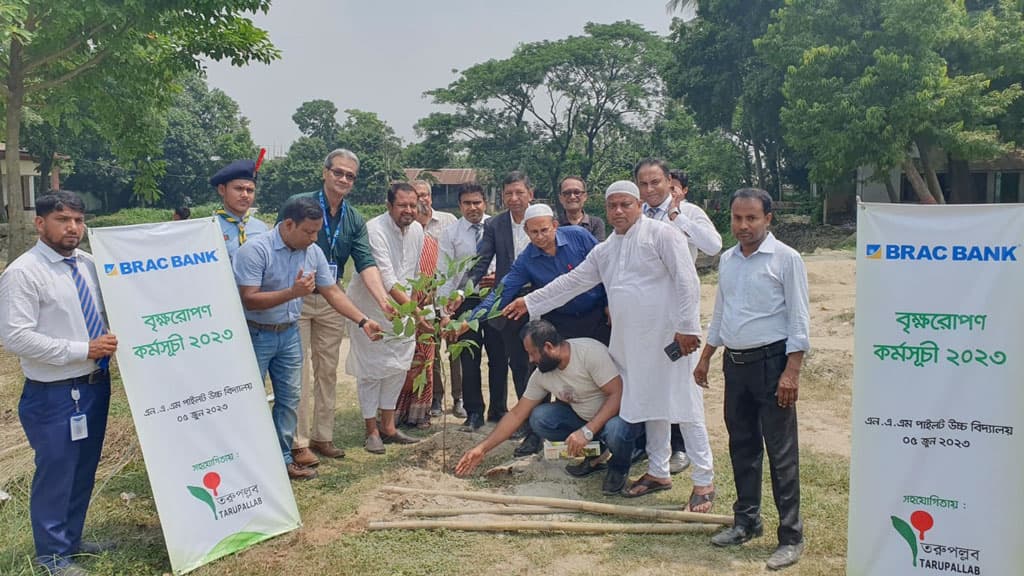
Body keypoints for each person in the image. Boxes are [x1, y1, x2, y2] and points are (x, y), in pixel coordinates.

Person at [503, 181, 715, 509]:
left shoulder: (663, 235)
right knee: (649, 407)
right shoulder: (606, 250)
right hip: (630, 346)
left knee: (685, 407)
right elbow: (570, 283)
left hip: (669, 341)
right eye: (612, 205)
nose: (618, 211)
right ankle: (658, 472)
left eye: (625, 204)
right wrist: (530, 302)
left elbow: (687, 279)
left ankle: (704, 481)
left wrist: (687, 327)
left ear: (639, 204)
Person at [0, 192, 118, 576]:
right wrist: (83, 349)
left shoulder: (89, 264)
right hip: (53, 394)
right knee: (56, 472)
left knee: (83, 468)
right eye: (63, 219)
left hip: (95, 385)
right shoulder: (23, 272)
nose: (73, 228)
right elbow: (16, 337)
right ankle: (51, 556)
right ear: (40, 223)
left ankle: (73, 540)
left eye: (79, 221)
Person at [694, 187, 809, 571]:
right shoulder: (728, 259)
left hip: (773, 365)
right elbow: (722, 311)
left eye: (751, 219)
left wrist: (791, 372)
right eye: (736, 218)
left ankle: (790, 536)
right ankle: (746, 521)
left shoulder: (786, 259)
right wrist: (706, 357)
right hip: (736, 365)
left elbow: (798, 320)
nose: (742, 226)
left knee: (781, 454)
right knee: (742, 446)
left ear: (767, 219)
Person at [234, 196, 382, 480]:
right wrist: (293, 293)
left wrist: (363, 321)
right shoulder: (254, 251)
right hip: (256, 334)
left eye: (317, 232)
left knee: (290, 399)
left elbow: (333, 291)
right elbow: (249, 299)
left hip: (288, 334)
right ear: (288, 224)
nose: (314, 238)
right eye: (309, 232)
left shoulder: (312, 252)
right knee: (248, 399)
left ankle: (284, 460)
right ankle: (246, 464)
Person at [282, 149, 391, 468]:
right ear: (325, 172)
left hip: (331, 299)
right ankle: (298, 441)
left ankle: (323, 436)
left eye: (350, 175)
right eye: (338, 172)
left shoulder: (354, 218)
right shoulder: (299, 204)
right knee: (297, 371)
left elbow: (365, 261)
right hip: (297, 297)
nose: (343, 179)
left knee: (327, 370)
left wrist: (383, 302)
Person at [455, 320, 641, 495]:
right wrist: (482, 449)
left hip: (618, 416)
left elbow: (617, 395)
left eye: (533, 353)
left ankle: (618, 467)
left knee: (616, 430)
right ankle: (596, 452)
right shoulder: (542, 375)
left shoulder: (588, 353)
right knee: (540, 418)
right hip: (585, 420)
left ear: (548, 347)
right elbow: (517, 414)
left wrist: (587, 431)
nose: (530, 359)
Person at [636, 159, 723, 476]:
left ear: (670, 182)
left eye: (657, 183)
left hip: (681, 319)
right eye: (643, 184)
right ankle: (657, 467)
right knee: (653, 392)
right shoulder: (637, 215)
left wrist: (677, 216)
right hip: (648, 319)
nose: (650, 190)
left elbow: (714, 246)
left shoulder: (690, 212)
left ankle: (702, 473)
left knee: (687, 396)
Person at [345, 182, 425, 454]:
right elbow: (387, 278)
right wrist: (416, 312)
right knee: (371, 370)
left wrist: (412, 308)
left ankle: (389, 427)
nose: (408, 210)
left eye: (413, 205)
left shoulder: (417, 230)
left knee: (398, 366)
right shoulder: (374, 229)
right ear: (389, 205)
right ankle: (371, 430)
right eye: (402, 205)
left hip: (403, 309)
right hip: (371, 306)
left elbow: (411, 274)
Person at [466, 171, 537, 452]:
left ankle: (542, 424)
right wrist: (464, 292)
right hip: (509, 306)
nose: (514, 198)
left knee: (543, 364)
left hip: (542, 301)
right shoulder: (495, 225)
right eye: (508, 193)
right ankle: (525, 422)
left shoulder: (542, 219)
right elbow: (481, 261)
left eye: (519, 192)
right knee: (518, 364)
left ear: (530, 193)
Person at [438, 184, 503, 432]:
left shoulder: (498, 227)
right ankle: (474, 412)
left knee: (498, 357)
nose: (473, 207)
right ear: (460, 206)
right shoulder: (451, 233)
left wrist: (498, 279)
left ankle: (498, 411)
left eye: (477, 202)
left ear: (485, 202)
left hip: (495, 300)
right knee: (469, 359)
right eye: (467, 203)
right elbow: (443, 273)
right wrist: (445, 312)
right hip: (463, 302)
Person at [410, 178, 460, 418]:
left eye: (424, 195)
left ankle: (459, 399)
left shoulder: (449, 221)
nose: (421, 199)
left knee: (455, 346)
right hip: (424, 297)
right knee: (430, 349)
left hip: (447, 294)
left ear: (431, 197)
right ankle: (436, 397)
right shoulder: (409, 225)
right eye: (416, 195)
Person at [395, 232, 441, 429]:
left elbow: (436, 279)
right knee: (400, 363)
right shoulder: (397, 240)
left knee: (425, 363)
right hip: (398, 308)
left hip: (427, 309)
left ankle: (419, 414)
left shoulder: (432, 243)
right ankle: (394, 413)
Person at [211, 159, 270, 261]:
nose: (245, 195)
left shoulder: (262, 229)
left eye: (250, 190)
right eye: (239, 189)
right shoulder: (210, 228)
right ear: (222, 190)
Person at [556, 176, 605, 242]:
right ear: (560, 198)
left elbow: (598, 250)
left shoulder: (596, 224)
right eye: (567, 193)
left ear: (585, 196)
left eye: (577, 192)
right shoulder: (554, 225)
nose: (572, 197)